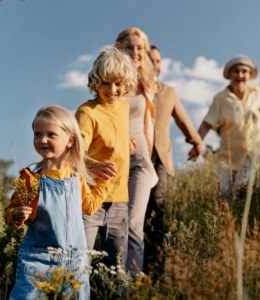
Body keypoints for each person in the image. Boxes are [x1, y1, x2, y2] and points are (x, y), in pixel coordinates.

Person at [5, 105, 100, 300]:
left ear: (70, 140)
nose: (42, 140)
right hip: (39, 260)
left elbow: (89, 206)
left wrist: (105, 181)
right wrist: (15, 215)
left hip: (75, 261)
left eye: (51, 134)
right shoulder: (31, 178)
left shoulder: (77, 178)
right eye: (37, 134)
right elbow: (11, 210)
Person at [189, 56, 260, 207]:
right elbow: (206, 124)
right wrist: (197, 144)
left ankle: (242, 225)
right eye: (236, 71)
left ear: (250, 75)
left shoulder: (259, 93)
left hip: (254, 154)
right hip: (228, 156)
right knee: (223, 195)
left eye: (244, 72)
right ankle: (227, 227)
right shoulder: (220, 99)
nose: (240, 76)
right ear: (230, 75)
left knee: (241, 192)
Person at [75, 46, 138, 267]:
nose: (112, 90)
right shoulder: (87, 112)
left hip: (119, 198)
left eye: (118, 84)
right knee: (80, 261)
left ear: (127, 84)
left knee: (116, 265)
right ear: (95, 82)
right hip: (90, 199)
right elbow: (74, 153)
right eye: (105, 83)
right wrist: (93, 165)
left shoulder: (123, 107)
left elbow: (112, 132)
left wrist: (125, 141)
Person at [144, 45, 203, 273]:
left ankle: (156, 268)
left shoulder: (168, 91)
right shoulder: (129, 89)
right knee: (136, 213)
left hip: (160, 159)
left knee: (158, 208)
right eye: (151, 60)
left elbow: (182, 119)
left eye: (158, 61)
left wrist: (196, 141)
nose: (155, 65)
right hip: (134, 158)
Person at [115, 27, 158, 275]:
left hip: (140, 162)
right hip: (114, 161)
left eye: (140, 47)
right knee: (114, 225)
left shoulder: (146, 83)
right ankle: (112, 279)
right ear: (119, 48)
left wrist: (149, 159)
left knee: (133, 224)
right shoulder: (110, 79)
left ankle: (131, 283)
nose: (135, 52)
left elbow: (148, 126)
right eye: (129, 46)